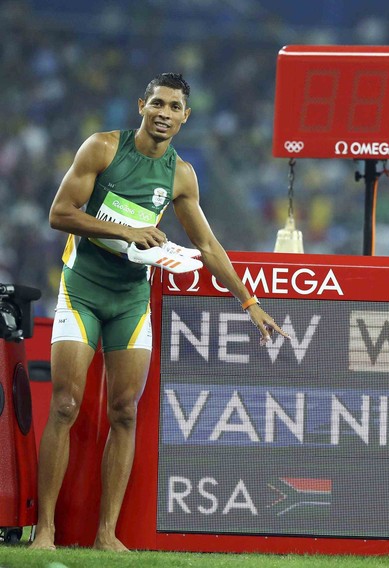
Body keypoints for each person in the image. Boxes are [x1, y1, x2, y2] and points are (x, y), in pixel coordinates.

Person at [30, 73, 290, 551]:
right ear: (141, 106)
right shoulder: (103, 148)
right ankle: (43, 530)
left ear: (185, 117)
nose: (165, 114)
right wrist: (130, 232)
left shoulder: (180, 175)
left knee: (124, 412)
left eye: (175, 107)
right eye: (159, 104)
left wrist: (249, 302)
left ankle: (107, 535)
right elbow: (59, 214)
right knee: (65, 405)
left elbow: (207, 246)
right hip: (81, 290)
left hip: (130, 299)